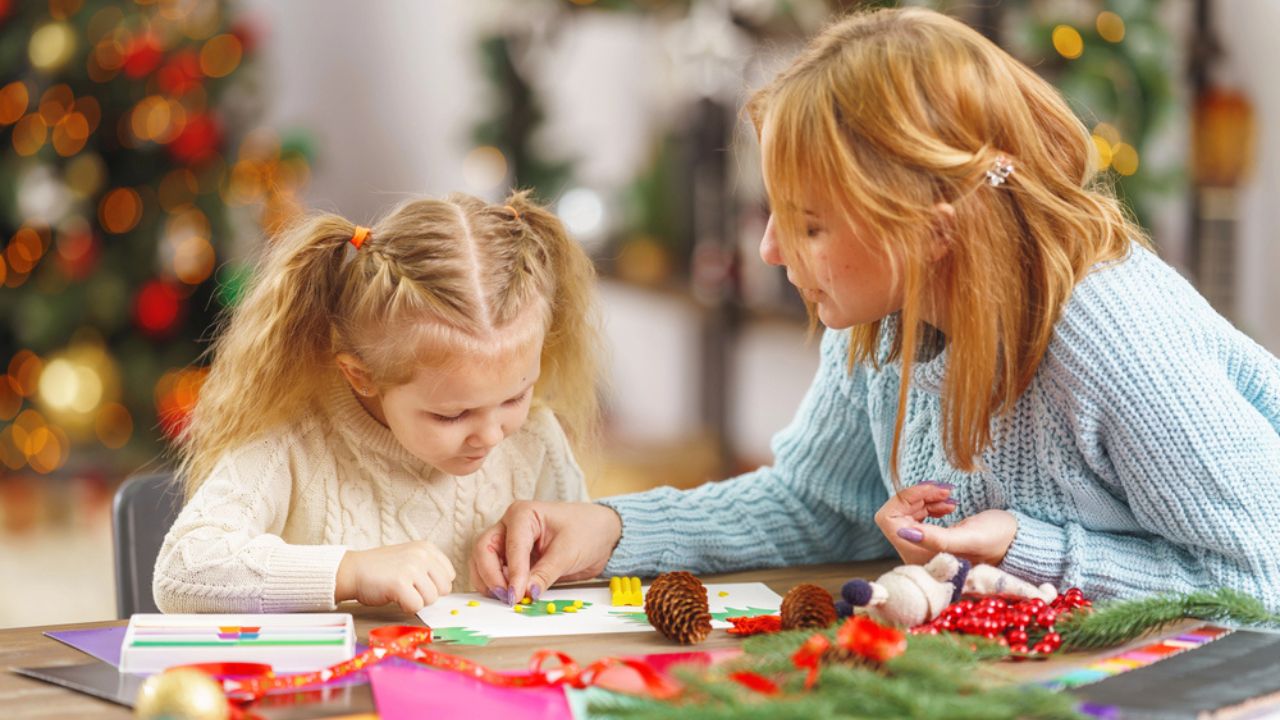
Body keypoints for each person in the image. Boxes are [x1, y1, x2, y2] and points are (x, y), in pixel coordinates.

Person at [470, 6, 1280, 612]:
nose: (770, 253)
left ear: (931, 226)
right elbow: (819, 506)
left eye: (810, 223)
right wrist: (610, 530)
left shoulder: (1109, 336)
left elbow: (1262, 577)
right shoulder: (886, 324)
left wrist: (1034, 553)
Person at [153, 191, 600, 614]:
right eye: (453, 414)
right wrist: (349, 571)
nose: (490, 434)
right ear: (362, 376)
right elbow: (181, 570)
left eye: (515, 396)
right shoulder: (291, 439)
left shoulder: (534, 439)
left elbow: (588, 574)